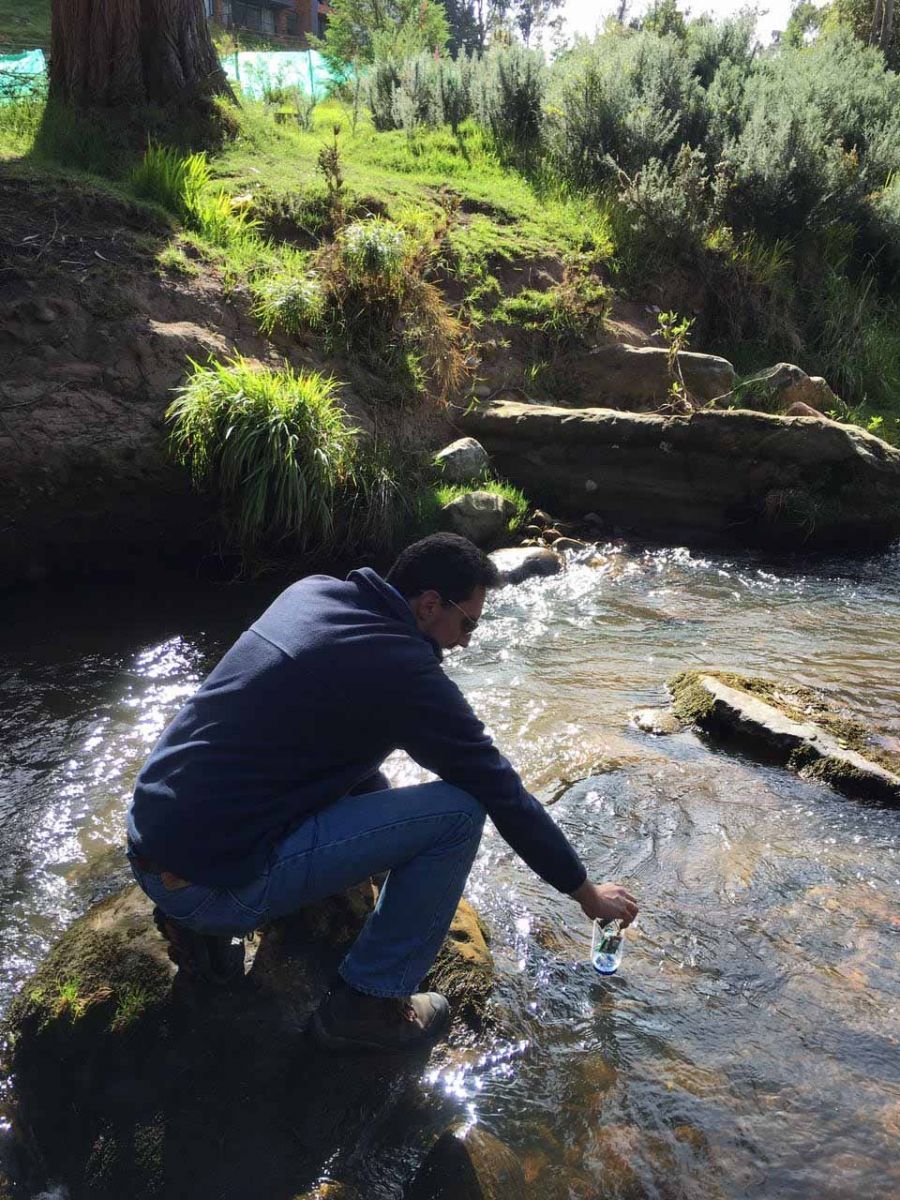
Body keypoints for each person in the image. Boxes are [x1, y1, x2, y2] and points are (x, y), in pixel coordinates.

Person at [127, 533, 638, 1052]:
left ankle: (199, 930)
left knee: (351, 787)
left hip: (151, 834)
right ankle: (368, 1003)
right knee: (459, 814)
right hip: (206, 888)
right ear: (430, 604)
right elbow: (500, 789)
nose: (465, 642)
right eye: (467, 623)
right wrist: (584, 892)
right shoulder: (405, 672)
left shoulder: (313, 594)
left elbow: (333, 742)